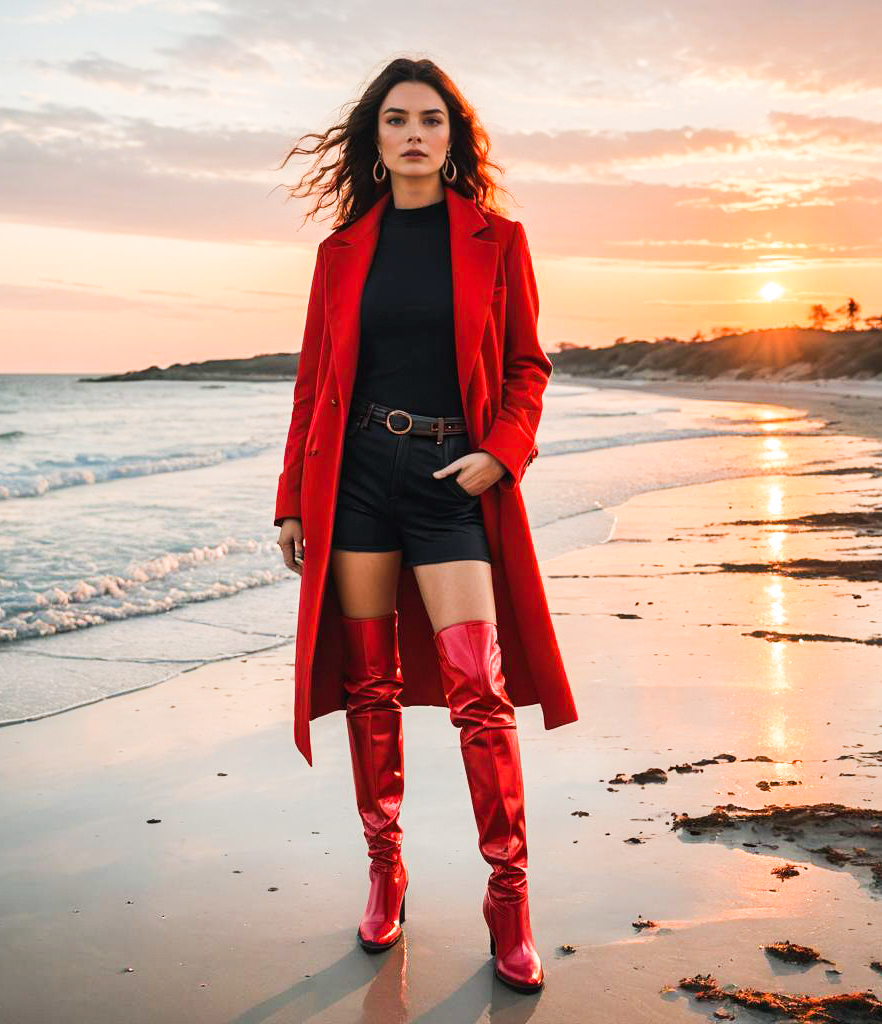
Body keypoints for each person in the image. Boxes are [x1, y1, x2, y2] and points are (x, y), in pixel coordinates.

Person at [273, 57, 578, 994]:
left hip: (455, 477)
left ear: (454, 138)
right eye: (398, 119)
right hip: (357, 475)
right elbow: (315, 383)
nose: (414, 132)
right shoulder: (341, 252)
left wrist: (503, 452)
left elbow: (528, 365)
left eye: (432, 120)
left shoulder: (498, 239)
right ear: (376, 138)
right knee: (370, 685)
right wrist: (292, 495)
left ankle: (510, 897)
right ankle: (385, 870)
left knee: (476, 690)